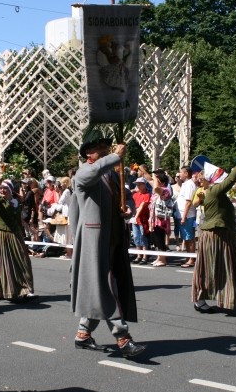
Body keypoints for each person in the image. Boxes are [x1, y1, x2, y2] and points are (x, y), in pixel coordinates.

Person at [69, 137, 146, 359]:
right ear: (88, 154)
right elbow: (91, 174)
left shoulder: (111, 174)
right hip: (95, 240)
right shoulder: (83, 173)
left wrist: (127, 209)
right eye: (99, 148)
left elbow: (127, 197)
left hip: (113, 237)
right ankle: (123, 338)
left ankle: (83, 334)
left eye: (106, 147)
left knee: (101, 285)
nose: (104, 149)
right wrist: (115, 157)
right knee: (107, 285)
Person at [191, 150, 236, 314]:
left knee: (228, 267)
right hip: (216, 235)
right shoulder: (214, 191)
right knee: (216, 268)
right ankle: (203, 299)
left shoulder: (213, 192)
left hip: (221, 234)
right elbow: (231, 179)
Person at [0, 178, 36, 303]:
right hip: (1, 234)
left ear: (10, 190)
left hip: (15, 234)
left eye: (5, 188)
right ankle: (1, 291)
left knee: (22, 261)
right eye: (1, 188)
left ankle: (24, 289)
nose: (2, 190)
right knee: (1, 262)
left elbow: (20, 219)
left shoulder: (16, 202)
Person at [148, 171, 173, 267]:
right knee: (155, 239)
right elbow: (149, 179)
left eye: (157, 181)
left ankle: (163, 259)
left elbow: (155, 187)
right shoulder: (157, 191)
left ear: (162, 183)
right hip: (153, 219)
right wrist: (144, 171)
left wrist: (155, 178)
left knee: (160, 239)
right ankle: (159, 257)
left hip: (161, 220)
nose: (155, 182)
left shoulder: (165, 191)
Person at [176, 166, 197, 268]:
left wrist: (184, 217)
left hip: (188, 215)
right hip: (183, 214)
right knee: (186, 237)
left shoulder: (189, 185)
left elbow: (188, 202)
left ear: (186, 173)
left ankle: (191, 259)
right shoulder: (185, 184)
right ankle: (188, 257)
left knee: (189, 238)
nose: (179, 174)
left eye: (181, 172)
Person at [130, 177, 151, 264]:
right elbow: (132, 205)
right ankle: (139, 255)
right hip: (135, 219)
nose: (137, 186)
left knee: (143, 237)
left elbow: (142, 207)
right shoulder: (135, 195)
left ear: (144, 185)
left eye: (140, 184)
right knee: (136, 237)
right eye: (137, 184)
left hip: (143, 219)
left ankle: (145, 256)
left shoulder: (147, 195)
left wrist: (135, 216)